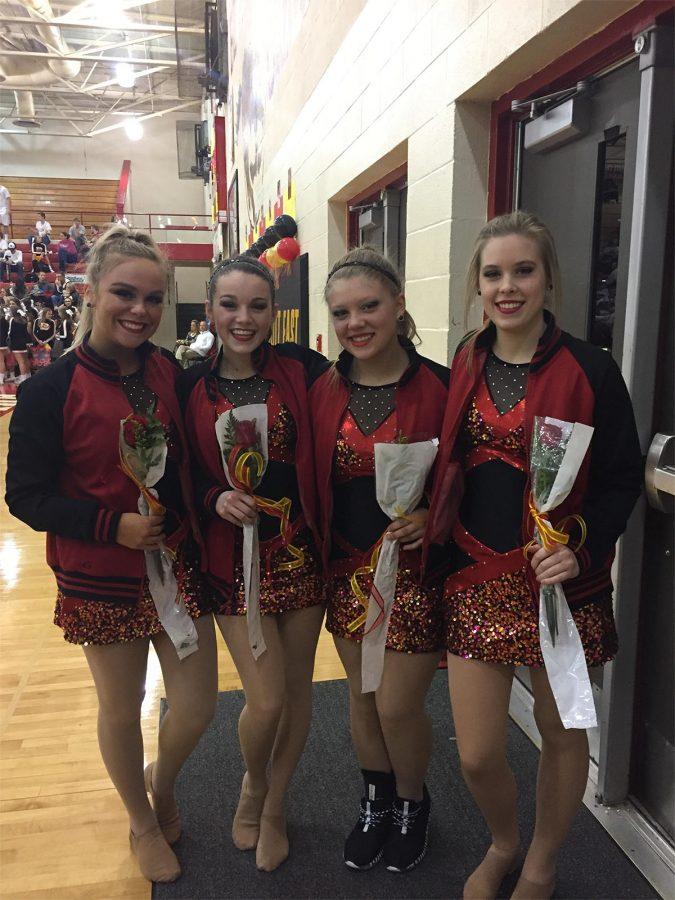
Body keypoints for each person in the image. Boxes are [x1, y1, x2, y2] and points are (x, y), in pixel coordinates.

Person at [425, 211, 643, 900]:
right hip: (474, 575)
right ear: (476, 283)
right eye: (493, 273)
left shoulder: (590, 368)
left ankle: (543, 862)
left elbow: (617, 477)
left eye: (522, 270)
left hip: (558, 587)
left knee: (560, 732)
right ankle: (502, 842)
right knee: (478, 750)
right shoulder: (467, 357)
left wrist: (579, 549)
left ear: (548, 278)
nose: (507, 286)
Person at [5, 226, 218, 885]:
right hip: (100, 576)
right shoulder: (48, 392)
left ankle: (164, 779)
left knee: (198, 703)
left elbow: (185, 462)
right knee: (122, 711)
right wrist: (110, 524)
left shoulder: (169, 373)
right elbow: (25, 497)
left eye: (153, 299)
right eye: (124, 293)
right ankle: (142, 819)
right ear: (91, 291)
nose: (139, 310)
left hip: (173, 568)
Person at [179, 256, 328, 872]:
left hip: (300, 556)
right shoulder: (187, 384)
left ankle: (275, 805)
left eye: (258, 306)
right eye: (231, 305)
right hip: (231, 563)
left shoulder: (303, 368)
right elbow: (177, 470)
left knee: (295, 697)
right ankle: (251, 784)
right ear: (209, 310)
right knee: (264, 701)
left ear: (275, 311)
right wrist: (215, 497)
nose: (244, 319)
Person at [310, 247, 449, 873]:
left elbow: (477, 478)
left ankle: (413, 802)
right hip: (345, 571)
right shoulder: (321, 391)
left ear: (398, 304)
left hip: (416, 574)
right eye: (342, 313)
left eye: (369, 306)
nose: (355, 323)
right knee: (363, 699)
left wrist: (433, 517)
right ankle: (377, 799)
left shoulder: (445, 386)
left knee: (397, 704)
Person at [6, 300, 31, 383]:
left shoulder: (12, 320)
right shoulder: (23, 320)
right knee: (25, 360)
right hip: (24, 343)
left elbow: (10, 332)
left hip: (16, 343)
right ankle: (28, 376)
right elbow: (26, 331)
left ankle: (23, 379)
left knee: (21, 362)